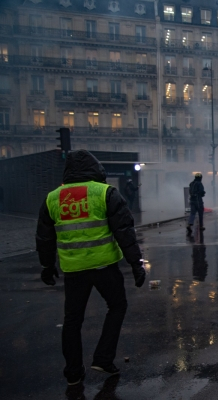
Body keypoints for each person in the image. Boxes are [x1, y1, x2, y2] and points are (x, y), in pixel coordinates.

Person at [35, 150, 146, 386]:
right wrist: (136, 264)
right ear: (95, 169)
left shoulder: (53, 198)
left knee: (72, 320)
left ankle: (73, 372)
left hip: (74, 270)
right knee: (117, 306)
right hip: (104, 266)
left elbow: (44, 238)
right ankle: (103, 358)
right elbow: (125, 232)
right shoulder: (104, 193)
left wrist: (46, 266)